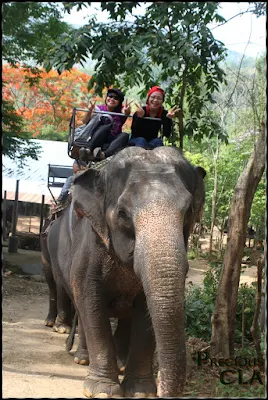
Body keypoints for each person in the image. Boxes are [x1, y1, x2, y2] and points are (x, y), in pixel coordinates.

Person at [79, 88, 132, 161]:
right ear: (106, 97)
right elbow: (85, 121)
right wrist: (89, 111)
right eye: (110, 96)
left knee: (125, 135)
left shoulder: (120, 111)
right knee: (106, 127)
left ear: (119, 102)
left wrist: (127, 111)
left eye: (116, 98)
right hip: (97, 138)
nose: (112, 99)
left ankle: (104, 154)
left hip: (112, 140)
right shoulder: (99, 108)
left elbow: (125, 112)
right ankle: (88, 150)